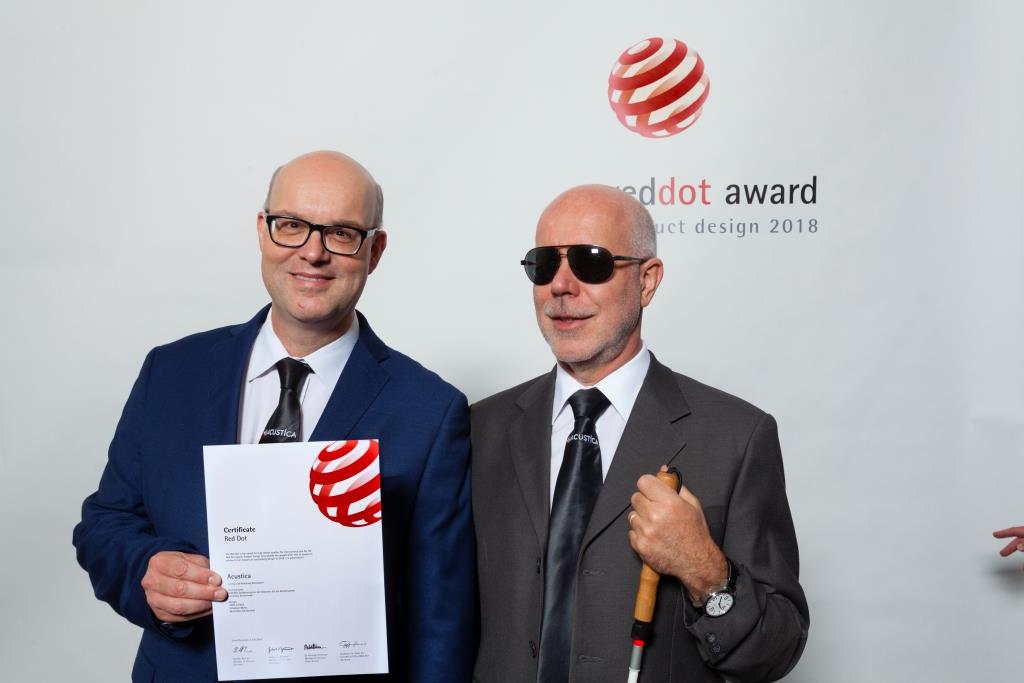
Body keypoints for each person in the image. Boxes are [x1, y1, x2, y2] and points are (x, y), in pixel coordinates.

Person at [72, 151, 476, 682]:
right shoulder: (171, 373)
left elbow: (440, 621)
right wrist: (146, 569)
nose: (313, 253)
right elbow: (105, 522)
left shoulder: (430, 410)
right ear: (263, 231)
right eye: (291, 226)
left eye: (342, 234)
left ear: (375, 251)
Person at [471, 185, 809, 682]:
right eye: (544, 265)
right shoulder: (478, 429)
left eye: (590, 263)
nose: (560, 285)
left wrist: (705, 570)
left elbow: (776, 651)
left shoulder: (736, 437)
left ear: (647, 281)